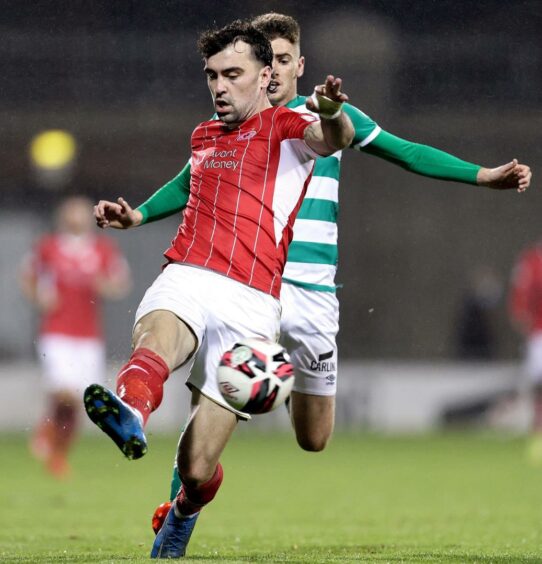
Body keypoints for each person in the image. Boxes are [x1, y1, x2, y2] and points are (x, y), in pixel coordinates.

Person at [136, 12, 532, 533]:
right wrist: (139, 214)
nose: (272, 71)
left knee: (314, 437)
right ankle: (180, 515)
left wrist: (481, 175)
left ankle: (266, 382)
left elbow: (404, 151)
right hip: (247, 285)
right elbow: (188, 183)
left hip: (313, 294)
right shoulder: (230, 130)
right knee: (204, 402)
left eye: (281, 60)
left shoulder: (323, 119)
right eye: (265, 60)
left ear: (299, 65)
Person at [85, 20, 354, 558]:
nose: (219, 87)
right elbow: (186, 186)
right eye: (212, 75)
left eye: (232, 74)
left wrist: (332, 112)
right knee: (156, 339)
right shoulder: (204, 136)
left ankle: (184, 508)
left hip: (254, 305)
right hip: (189, 271)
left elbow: (335, 139)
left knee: (196, 467)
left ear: (264, 76)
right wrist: (136, 214)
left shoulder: (287, 128)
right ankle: (132, 411)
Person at [19, 196, 131, 478]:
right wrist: (39, 297)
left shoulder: (103, 249)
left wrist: (104, 286)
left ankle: (57, 453)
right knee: (63, 391)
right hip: (56, 330)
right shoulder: (48, 247)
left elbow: (120, 284)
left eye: (82, 212)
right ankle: (45, 432)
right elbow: (27, 276)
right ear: (63, 216)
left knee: (80, 401)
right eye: (72, 211)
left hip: (89, 335)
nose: (77, 217)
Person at [509, 239, 542, 458]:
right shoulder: (530, 261)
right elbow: (521, 292)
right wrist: (520, 313)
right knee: (538, 381)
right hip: (539, 333)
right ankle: (538, 429)